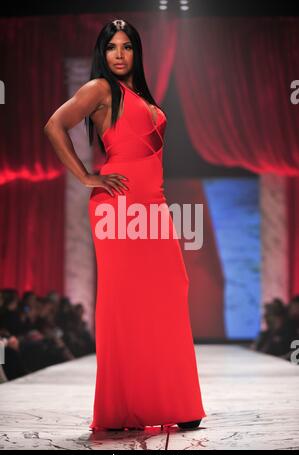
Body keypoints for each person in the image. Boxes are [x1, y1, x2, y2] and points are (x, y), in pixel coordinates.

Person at [44, 18, 206, 432]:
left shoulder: (142, 96)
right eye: (112, 47)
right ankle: (119, 408)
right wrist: (85, 176)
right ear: (103, 52)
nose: (119, 54)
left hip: (153, 206)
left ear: (136, 52)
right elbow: (54, 125)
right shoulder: (100, 89)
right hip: (117, 206)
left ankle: (173, 401)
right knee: (122, 302)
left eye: (127, 47)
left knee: (171, 291)